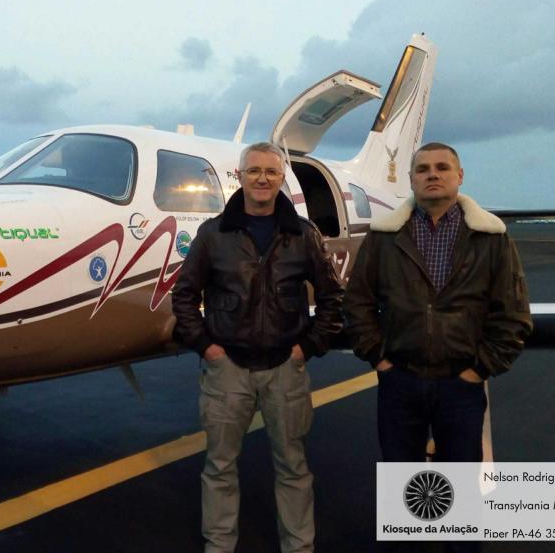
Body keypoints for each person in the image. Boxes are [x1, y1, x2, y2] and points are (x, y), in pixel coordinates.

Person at [343, 142, 532, 552]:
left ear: (459, 176)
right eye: (423, 168)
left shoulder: (491, 238)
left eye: (443, 167)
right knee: (404, 490)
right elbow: (357, 303)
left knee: (462, 492)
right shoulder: (384, 237)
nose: (433, 174)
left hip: (460, 386)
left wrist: (479, 370)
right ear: (411, 180)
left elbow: (513, 314)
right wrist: (380, 358)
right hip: (401, 382)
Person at [172, 142, 344, 553]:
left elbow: (333, 298)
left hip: (285, 368)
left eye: (271, 171)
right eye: (254, 171)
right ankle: (219, 545)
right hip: (227, 370)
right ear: (240, 176)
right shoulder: (213, 233)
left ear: (282, 178)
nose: (262, 179)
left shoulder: (303, 234)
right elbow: (184, 296)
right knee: (219, 466)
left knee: (293, 467)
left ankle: (299, 547)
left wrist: (307, 348)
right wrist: (208, 349)